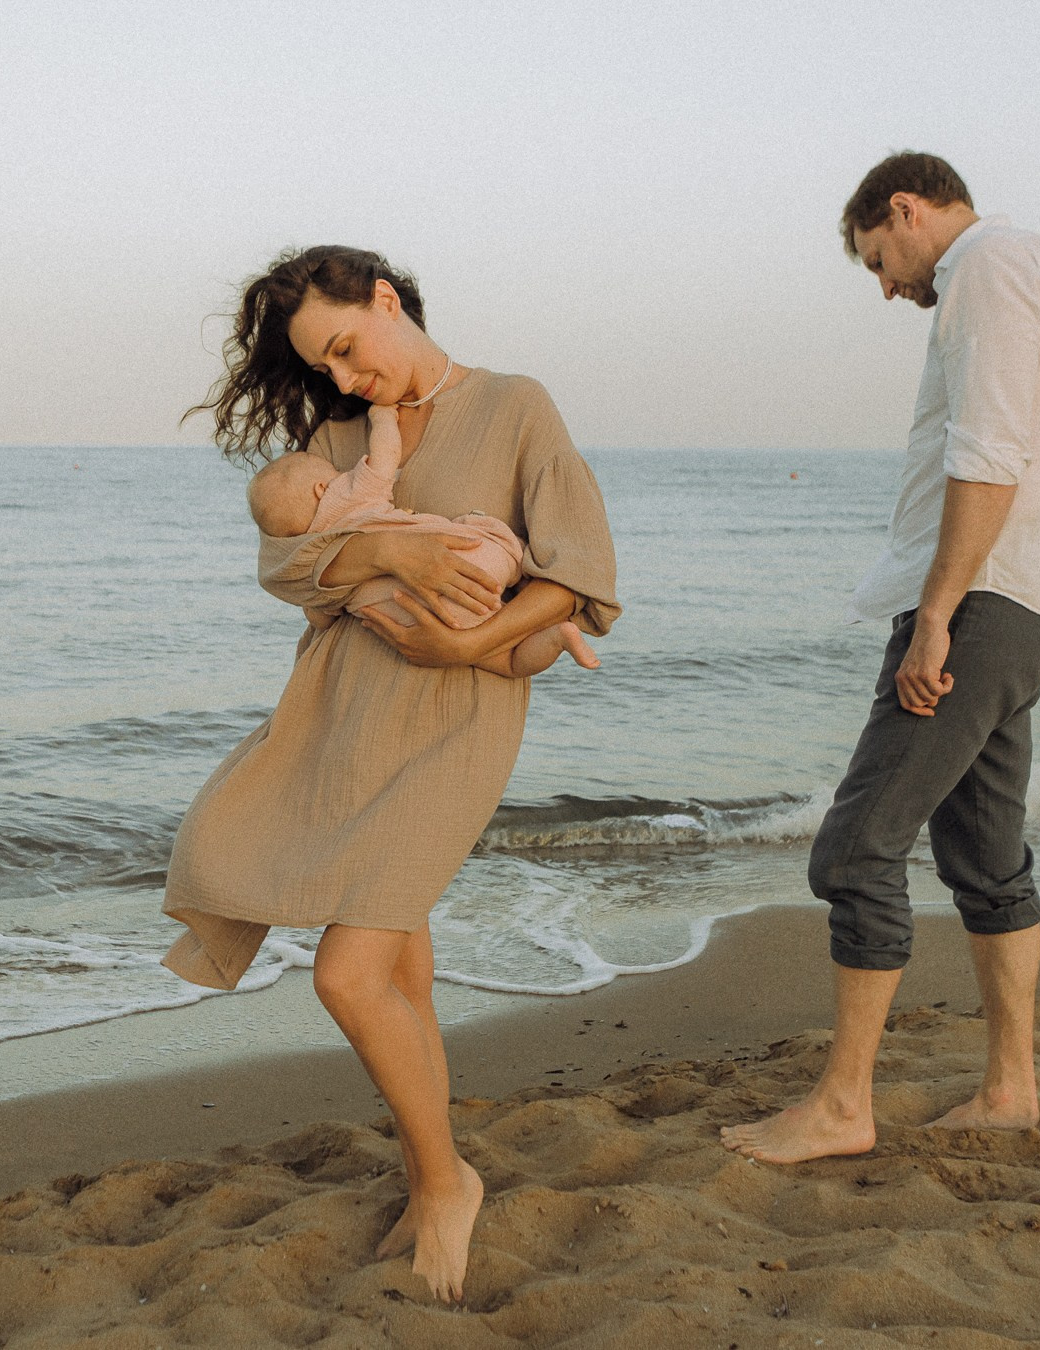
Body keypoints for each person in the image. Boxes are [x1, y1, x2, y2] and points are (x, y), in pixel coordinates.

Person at [161, 245, 620, 1300]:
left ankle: (450, 1182)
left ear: (383, 298)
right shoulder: (338, 437)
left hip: (454, 716)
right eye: (321, 366)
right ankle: (426, 1178)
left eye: (344, 347)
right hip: (341, 715)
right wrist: (392, 555)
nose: (342, 376)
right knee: (397, 968)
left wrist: (468, 641)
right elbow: (285, 565)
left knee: (347, 973)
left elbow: (579, 567)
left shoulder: (512, 405)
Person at [722, 152, 1040, 1165]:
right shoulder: (1037, 263)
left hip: (981, 601)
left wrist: (935, 616)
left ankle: (844, 1106)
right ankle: (1010, 1092)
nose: (887, 288)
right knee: (986, 858)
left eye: (879, 261)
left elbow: (988, 452)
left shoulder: (986, 269)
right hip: (1029, 598)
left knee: (855, 851)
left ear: (906, 209)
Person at [247, 403, 600, 678]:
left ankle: (559, 637)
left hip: (430, 624)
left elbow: (320, 617)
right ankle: (519, 573)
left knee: (509, 662)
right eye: (334, 472)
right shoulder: (347, 495)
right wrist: (383, 418)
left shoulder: (317, 556)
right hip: (472, 558)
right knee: (478, 528)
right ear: (321, 488)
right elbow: (386, 455)